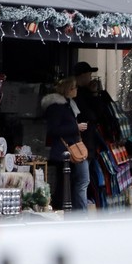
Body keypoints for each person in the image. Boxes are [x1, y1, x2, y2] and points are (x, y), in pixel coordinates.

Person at [41, 76, 89, 210]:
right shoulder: (57, 107)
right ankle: (64, 210)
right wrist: (76, 127)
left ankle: (67, 210)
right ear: (69, 89)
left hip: (70, 149)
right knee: (65, 184)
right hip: (63, 152)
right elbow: (53, 130)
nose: (77, 90)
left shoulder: (69, 105)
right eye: (74, 87)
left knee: (70, 183)